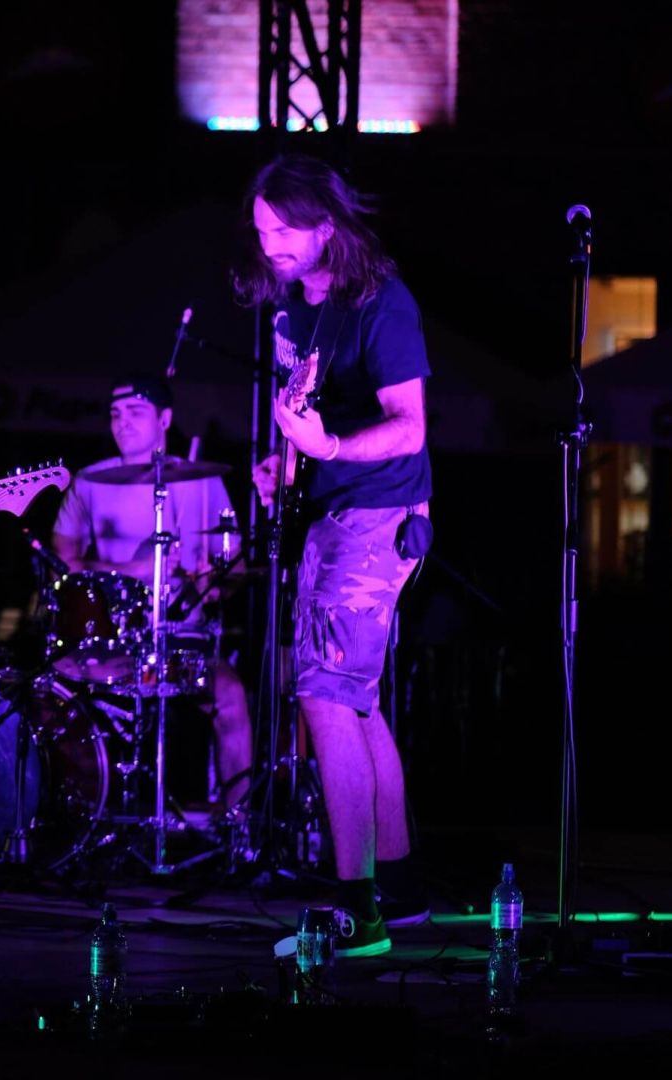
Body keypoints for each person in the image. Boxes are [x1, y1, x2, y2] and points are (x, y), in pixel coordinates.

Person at [241, 154, 433, 957]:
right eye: (261, 231)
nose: (270, 245)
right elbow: (308, 414)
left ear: (327, 225)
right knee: (354, 700)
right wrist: (285, 463)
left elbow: (410, 426)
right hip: (333, 509)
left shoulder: (380, 302)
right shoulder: (295, 307)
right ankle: (400, 889)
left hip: (378, 512)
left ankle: (358, 911)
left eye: (285, 229)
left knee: (323, 693)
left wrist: (331, 449)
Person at [50, 375, 254, 809]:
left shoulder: (202, 481)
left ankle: (237, 825)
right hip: (111, 640)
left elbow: (234, 566)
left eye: (135, 412)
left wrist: (214, 585)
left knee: (231, 696)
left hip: (182, 639)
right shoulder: (89, 481)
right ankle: (79, 812)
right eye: (115, 414)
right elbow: (61, 563)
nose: (121, 422)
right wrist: (131, 570)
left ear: (165, 419)